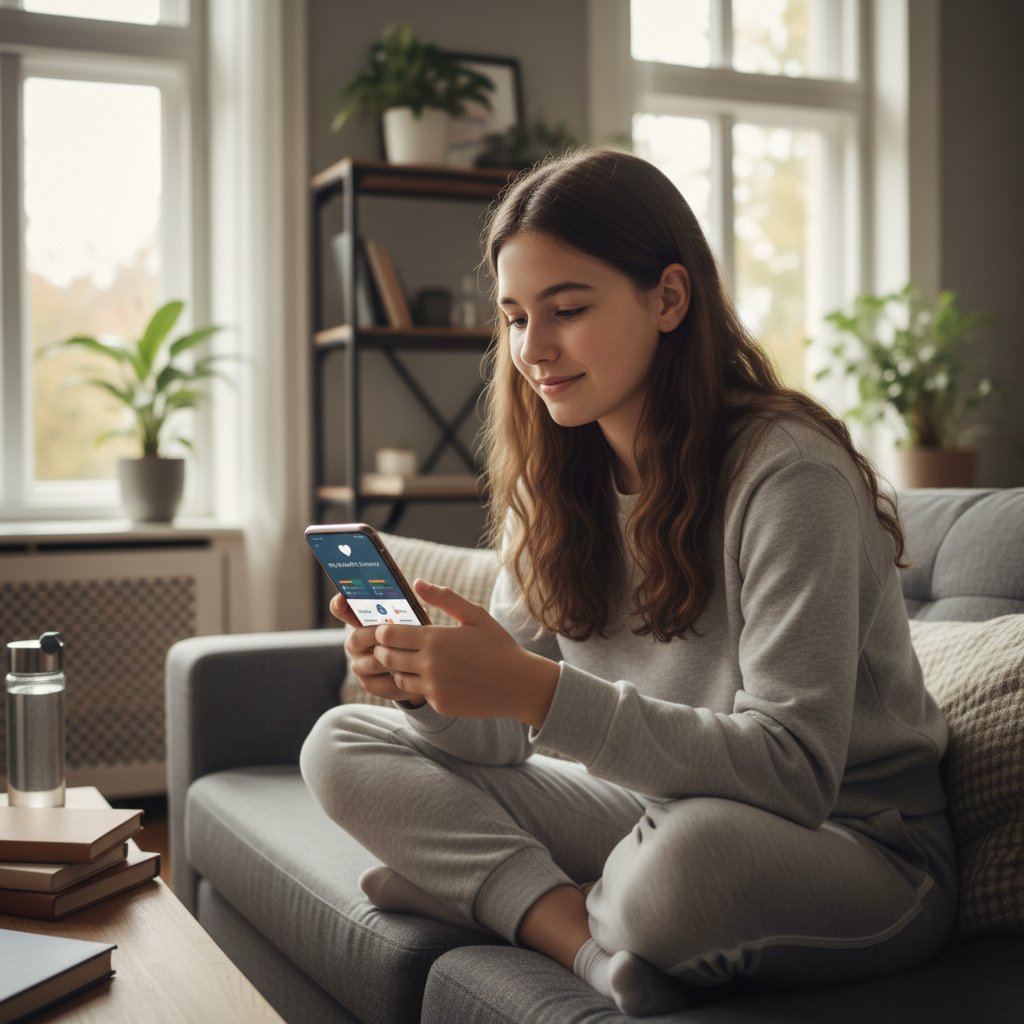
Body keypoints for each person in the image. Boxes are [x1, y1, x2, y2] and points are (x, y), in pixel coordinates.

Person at [300, 148, 956, 1016]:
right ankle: (575, 938)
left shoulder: (790, 477)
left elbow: (796, 773)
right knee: (342, 745)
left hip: (854, 844)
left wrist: (536, 689)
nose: (535, 349)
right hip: (650, 808)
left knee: (681, 868)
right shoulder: (556, 479)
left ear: (670, 298)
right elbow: (503, 740)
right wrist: (433, 690)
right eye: (514, 318)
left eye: (567, 309)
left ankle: (497, 892)